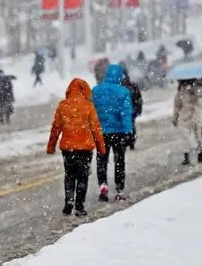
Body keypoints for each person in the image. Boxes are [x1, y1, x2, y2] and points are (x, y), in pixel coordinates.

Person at [47, 79, 106, 216]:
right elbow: (96, 129)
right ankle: (79, 206)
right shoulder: (88, 106)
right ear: (85, 91)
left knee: (69, 174)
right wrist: (101, 147)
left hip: (68, 148)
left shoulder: (63, 106)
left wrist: (51, 146)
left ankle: (69, 200)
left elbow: (56, 128)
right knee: (82, 176)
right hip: (85, 148)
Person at [92, 64, 134, 202]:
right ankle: (119, 189)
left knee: (102, 161)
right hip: (119, 132)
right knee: (119, 161)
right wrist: (128, 131)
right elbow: (126, 113)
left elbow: (92, 112)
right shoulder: (123, 91)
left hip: (101, 133)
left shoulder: (96, 90)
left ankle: (103, 187)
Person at [173, 79, 202, 165]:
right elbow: (177, 105)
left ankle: (200, 154)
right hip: (185, 117)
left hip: (197, 116)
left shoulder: (199, 89)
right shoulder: (181, 91)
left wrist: (197, 98)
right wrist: (175, 117)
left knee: (199, 137)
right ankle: (187, 157)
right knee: (185, 137)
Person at [120, 68, 143, 150]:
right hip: (125, 111)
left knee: (130, 127)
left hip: (130, 111)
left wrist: (138, 109)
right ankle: (128, 141)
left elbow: (138, 99)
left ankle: (131, 141)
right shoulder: (120, 87)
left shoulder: (132, 86)